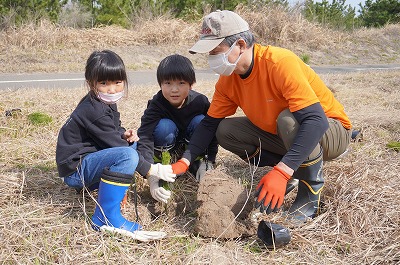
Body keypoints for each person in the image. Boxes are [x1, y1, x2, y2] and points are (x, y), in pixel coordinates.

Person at [170, 10, 352, 222]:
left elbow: (315, 120)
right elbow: (210, 124)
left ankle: (309, 192)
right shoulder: (228, 79)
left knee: (288, 119)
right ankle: (291, 171)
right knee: (226, 131)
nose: (211, 59)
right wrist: (186, 159)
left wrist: (282, 171)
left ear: (239, 45)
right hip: (285, 133)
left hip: (330, 131)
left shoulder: (280, 63)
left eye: (215, 51)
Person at [56, 50, 175, 241]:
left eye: (117, 82)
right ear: (91, 83)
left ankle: (113, 191)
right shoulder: (94, 110)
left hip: (86, 160)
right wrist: (151, 170)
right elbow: (121, 150)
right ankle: (105, 217)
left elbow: (113, 129)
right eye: (104, 83)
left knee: (131, 146)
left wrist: (124, 133)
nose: (112, 89)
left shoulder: (102, 101)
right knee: (128, 156)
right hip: (75, 170)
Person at [136, 54, 218, 203]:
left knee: (201, 122)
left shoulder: (200, 101)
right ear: (160, 84)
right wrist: (151, 174)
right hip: (167, 140)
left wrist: (210, 159)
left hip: (192, 142)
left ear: (191, 84)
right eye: (168, 83)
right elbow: (145, 136)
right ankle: (163, 160)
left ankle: (196, 161)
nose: (174, 90)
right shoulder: (156, 105)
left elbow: (212, 129)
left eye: (181, 83)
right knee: (164, 127)